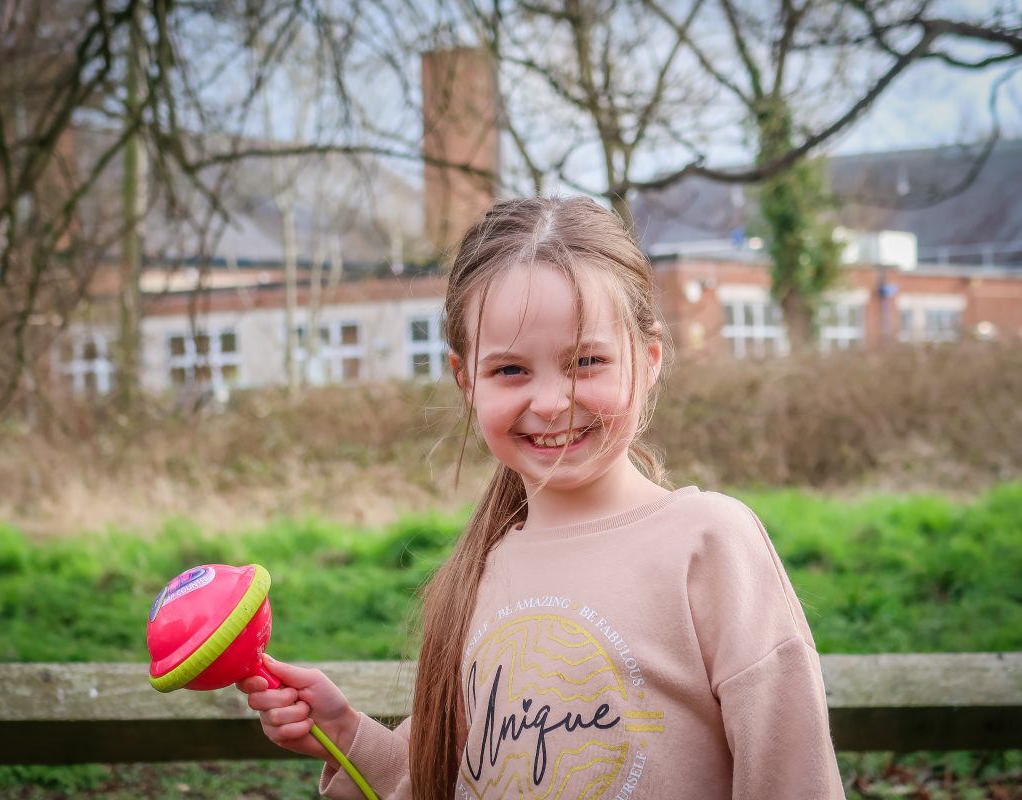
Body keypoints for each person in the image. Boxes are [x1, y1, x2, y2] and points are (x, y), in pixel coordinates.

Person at [239, 197, 845, 799]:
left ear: (649, 359)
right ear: (465, 379)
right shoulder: (475, 574)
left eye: (586, 360)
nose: (552, 401)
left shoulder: (710, 542)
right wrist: (344, 732)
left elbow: (792, 778)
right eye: (510, 371)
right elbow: (442, 781)